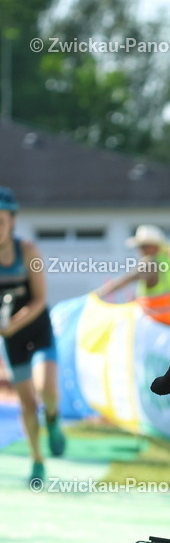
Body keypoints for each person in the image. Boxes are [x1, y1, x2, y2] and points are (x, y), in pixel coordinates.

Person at [0, 186, 66, 487]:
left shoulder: (28, 252)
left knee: (46, 389)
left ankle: (53, 418)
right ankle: (37, 461)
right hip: (11, 339)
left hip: (37, 330)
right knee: (27, 402)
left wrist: (13, 324)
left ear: (11, 221)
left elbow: (39, 299)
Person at [95, 224, 170, 299]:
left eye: (143, 246)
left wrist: (96, 295)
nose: (140, 250)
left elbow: (125, 280)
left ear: (153, 247)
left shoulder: (148, 262)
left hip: (152, 315)